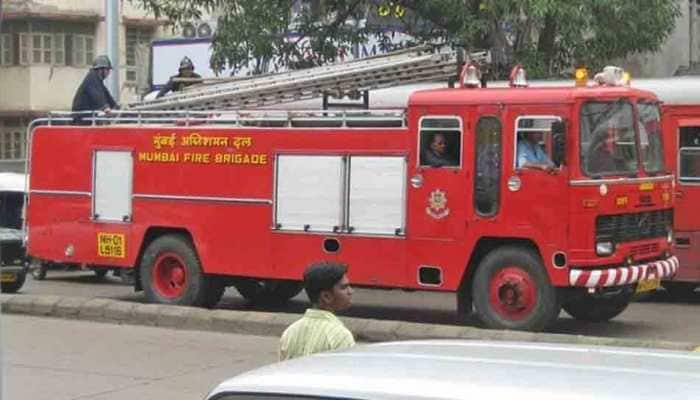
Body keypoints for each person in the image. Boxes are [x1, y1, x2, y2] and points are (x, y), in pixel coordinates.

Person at [279, 262, 355, 361]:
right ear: (326, 297)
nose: (351, 291)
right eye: (344, 287)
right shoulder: (340, 336)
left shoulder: (290, 333)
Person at [71, 55, 118, 124]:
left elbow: (107, 95)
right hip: (81, 119)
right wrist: (105, 107)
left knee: (105, 120)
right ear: (100, 69)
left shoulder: (99, 81)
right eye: (107, 70)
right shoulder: (92, 78)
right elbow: (97, 96)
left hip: (87, 117)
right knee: (105, 122)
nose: (108, 73)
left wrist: (116, 106)